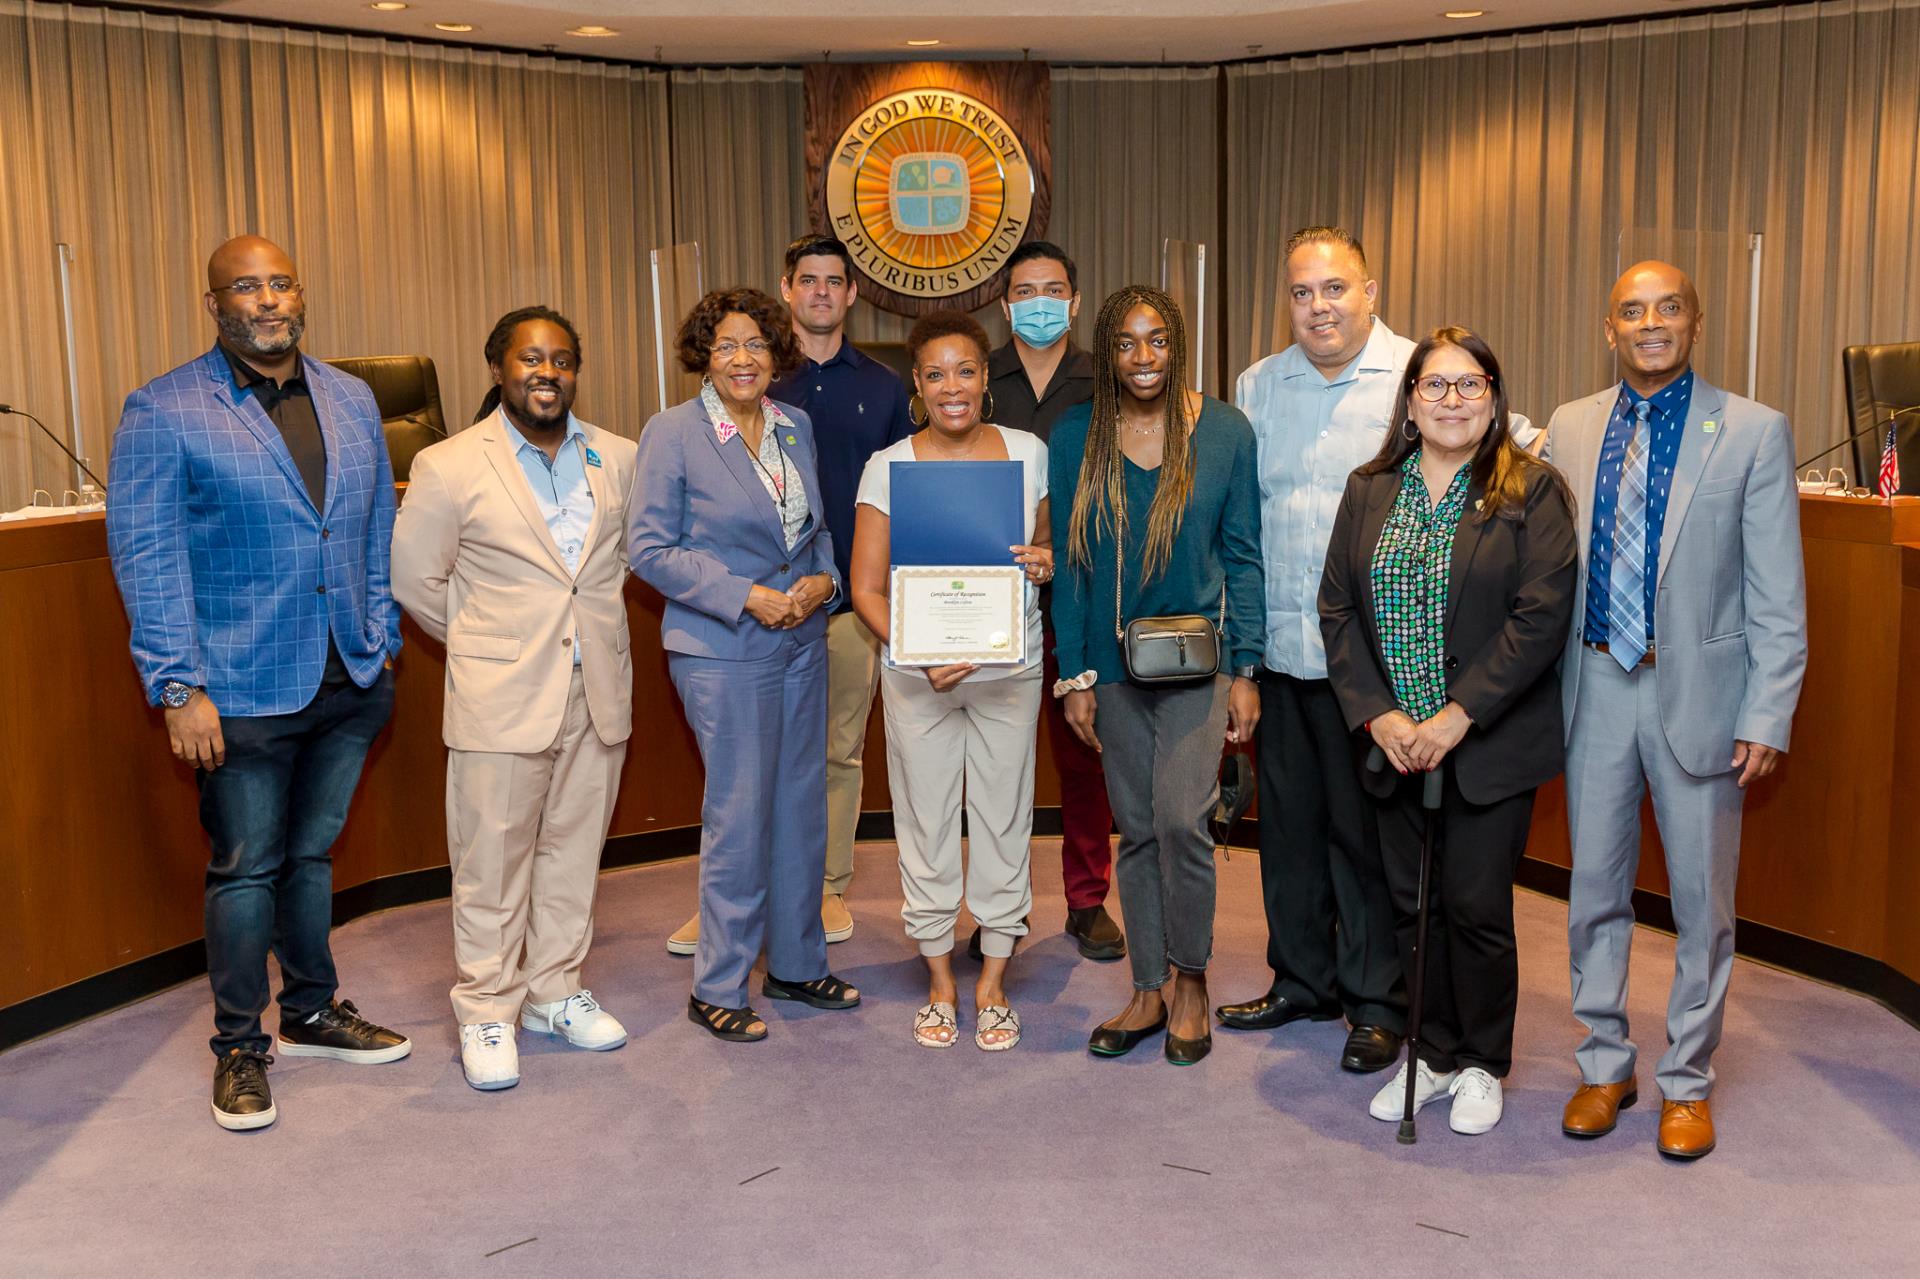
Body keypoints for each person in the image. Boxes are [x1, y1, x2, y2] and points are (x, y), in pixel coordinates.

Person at [105, 235, 409, 1131]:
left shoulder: (351, 397)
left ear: (300, 293)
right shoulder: (164, 408)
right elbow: (147, 553)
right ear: (214, 304)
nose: (268, 299)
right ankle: (240, 1046)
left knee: (311, 858)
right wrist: (174, 684)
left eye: (281, 282)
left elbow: (372, 525)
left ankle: (312, 1009)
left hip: (347, 676)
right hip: (233, 688)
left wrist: (382, 634)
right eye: (247, 286)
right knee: (246, 868)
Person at [1553, 261, 1806, 1159]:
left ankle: (1687, 1081)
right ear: (1608, 326)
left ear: (1694, 323)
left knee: (1702, 904)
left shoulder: (1752, 430)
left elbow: (1778, 591)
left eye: (1667, 308)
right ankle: (1603, 1063)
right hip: (1595, 687)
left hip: (1698, 693)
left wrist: (1767, 712)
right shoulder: (1572, 428)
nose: (1649, 322)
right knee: (1592, 894)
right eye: (1631, 309)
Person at [1320, 326, 1576, 1134]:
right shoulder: (1370, 488)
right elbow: (1336, 609)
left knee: (1474, 907)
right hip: (1393, 742)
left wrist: (1456, 716)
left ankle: (1483, 1062)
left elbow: (1540, 618)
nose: (1452, 400)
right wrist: (1382, 714)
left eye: (1470, 385)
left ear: (1495, 398)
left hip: (1486, 742)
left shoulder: (1531, 489)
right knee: (1410, 905)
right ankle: (1429, 1050)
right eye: (1435, 385)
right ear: (1411, 400)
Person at [390, 307, 638, 1090]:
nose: (548, 373)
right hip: (500, 693)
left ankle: (554, 992)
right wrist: (488, 644)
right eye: (531, 358)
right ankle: (487, 1008)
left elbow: (620, 563)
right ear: (498, 367)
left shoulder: (620, 457)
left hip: (596, 686)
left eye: (563, 360)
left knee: (572, 852)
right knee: (491, 861)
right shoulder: (449, 463)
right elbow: (416, 582)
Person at [663, 235, 914, 958]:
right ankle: (729, 907)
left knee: (829, 759)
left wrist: (847, 583)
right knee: (739, 773)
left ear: (852, 294)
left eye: (836, 281)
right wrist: (748, 594)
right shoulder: (729, 401)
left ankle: (823, 888)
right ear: (788, 288)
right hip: (738, 621)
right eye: (809, 280)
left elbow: (896, 489)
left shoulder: (878, 387)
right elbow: (659, 539)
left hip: (837, 604)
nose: (822, 293)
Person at [628, 287, 860, 1042]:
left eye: (756, 344)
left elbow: (816, 530)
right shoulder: (674, 432)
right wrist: (747, 595)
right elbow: (650, 550)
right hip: (724, 647)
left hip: (801, 641)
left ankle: (795, 963)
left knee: (800, 806)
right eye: (726, 345)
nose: (742, 358)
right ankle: (719, 982)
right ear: (705, 353)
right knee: (740, 812)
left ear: (777, 354)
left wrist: (827, 579)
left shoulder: (795, 425)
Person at [1050, 285, 1263, 1064]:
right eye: (1126, 343)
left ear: (1178, 346)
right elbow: (1071, 564)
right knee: (1133, 828)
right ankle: (1146, 988)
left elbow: (1244, 552)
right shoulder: (1078, 435)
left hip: (1197, 664)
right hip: (1111, 667)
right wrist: (1074, 675)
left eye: (1158, 341)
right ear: (1106, 354)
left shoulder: (1225, 432)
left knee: (1179, 819)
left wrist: (1247, 668)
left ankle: (1192, 978)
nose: (1144, 358)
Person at [1220, 226, 1410, 1072]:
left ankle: (1376, 1000)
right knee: (1289, 830)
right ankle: (1302, 977)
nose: (1319, 306)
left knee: (1366, 838)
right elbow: (1244, 533)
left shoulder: (1414, 377)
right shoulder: (1257, 386)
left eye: (1335, 288)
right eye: (1302, 292)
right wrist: (1243, 658)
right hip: (1284, 653)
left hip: (1372, 666)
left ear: (1371, 290)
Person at [848, 310, 1052, 1051]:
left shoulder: (1030, 454)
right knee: (926, 821)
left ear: (984, 379)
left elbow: (1046, 543)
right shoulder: (889, 465)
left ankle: (992, 982)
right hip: (917, 673)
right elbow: (865, 586)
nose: (952, 386)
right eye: (936, 373)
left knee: (1003, 819)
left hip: (1008, 666)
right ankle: (940, 981)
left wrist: (1044, 559)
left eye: (965, 369)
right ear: (918, 384)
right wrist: (916, 646)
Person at [983, 240, 1123, 962]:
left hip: (1084, 596)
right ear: (1006, 305)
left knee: (1084, 753)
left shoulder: (1107, 381)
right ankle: (996, 906)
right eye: (1025, 291)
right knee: (995, 761)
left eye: (1054, 289)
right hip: (988, 598)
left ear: (1073, 300)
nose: (1039, 302)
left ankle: (1088, 897)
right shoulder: (977, 380)